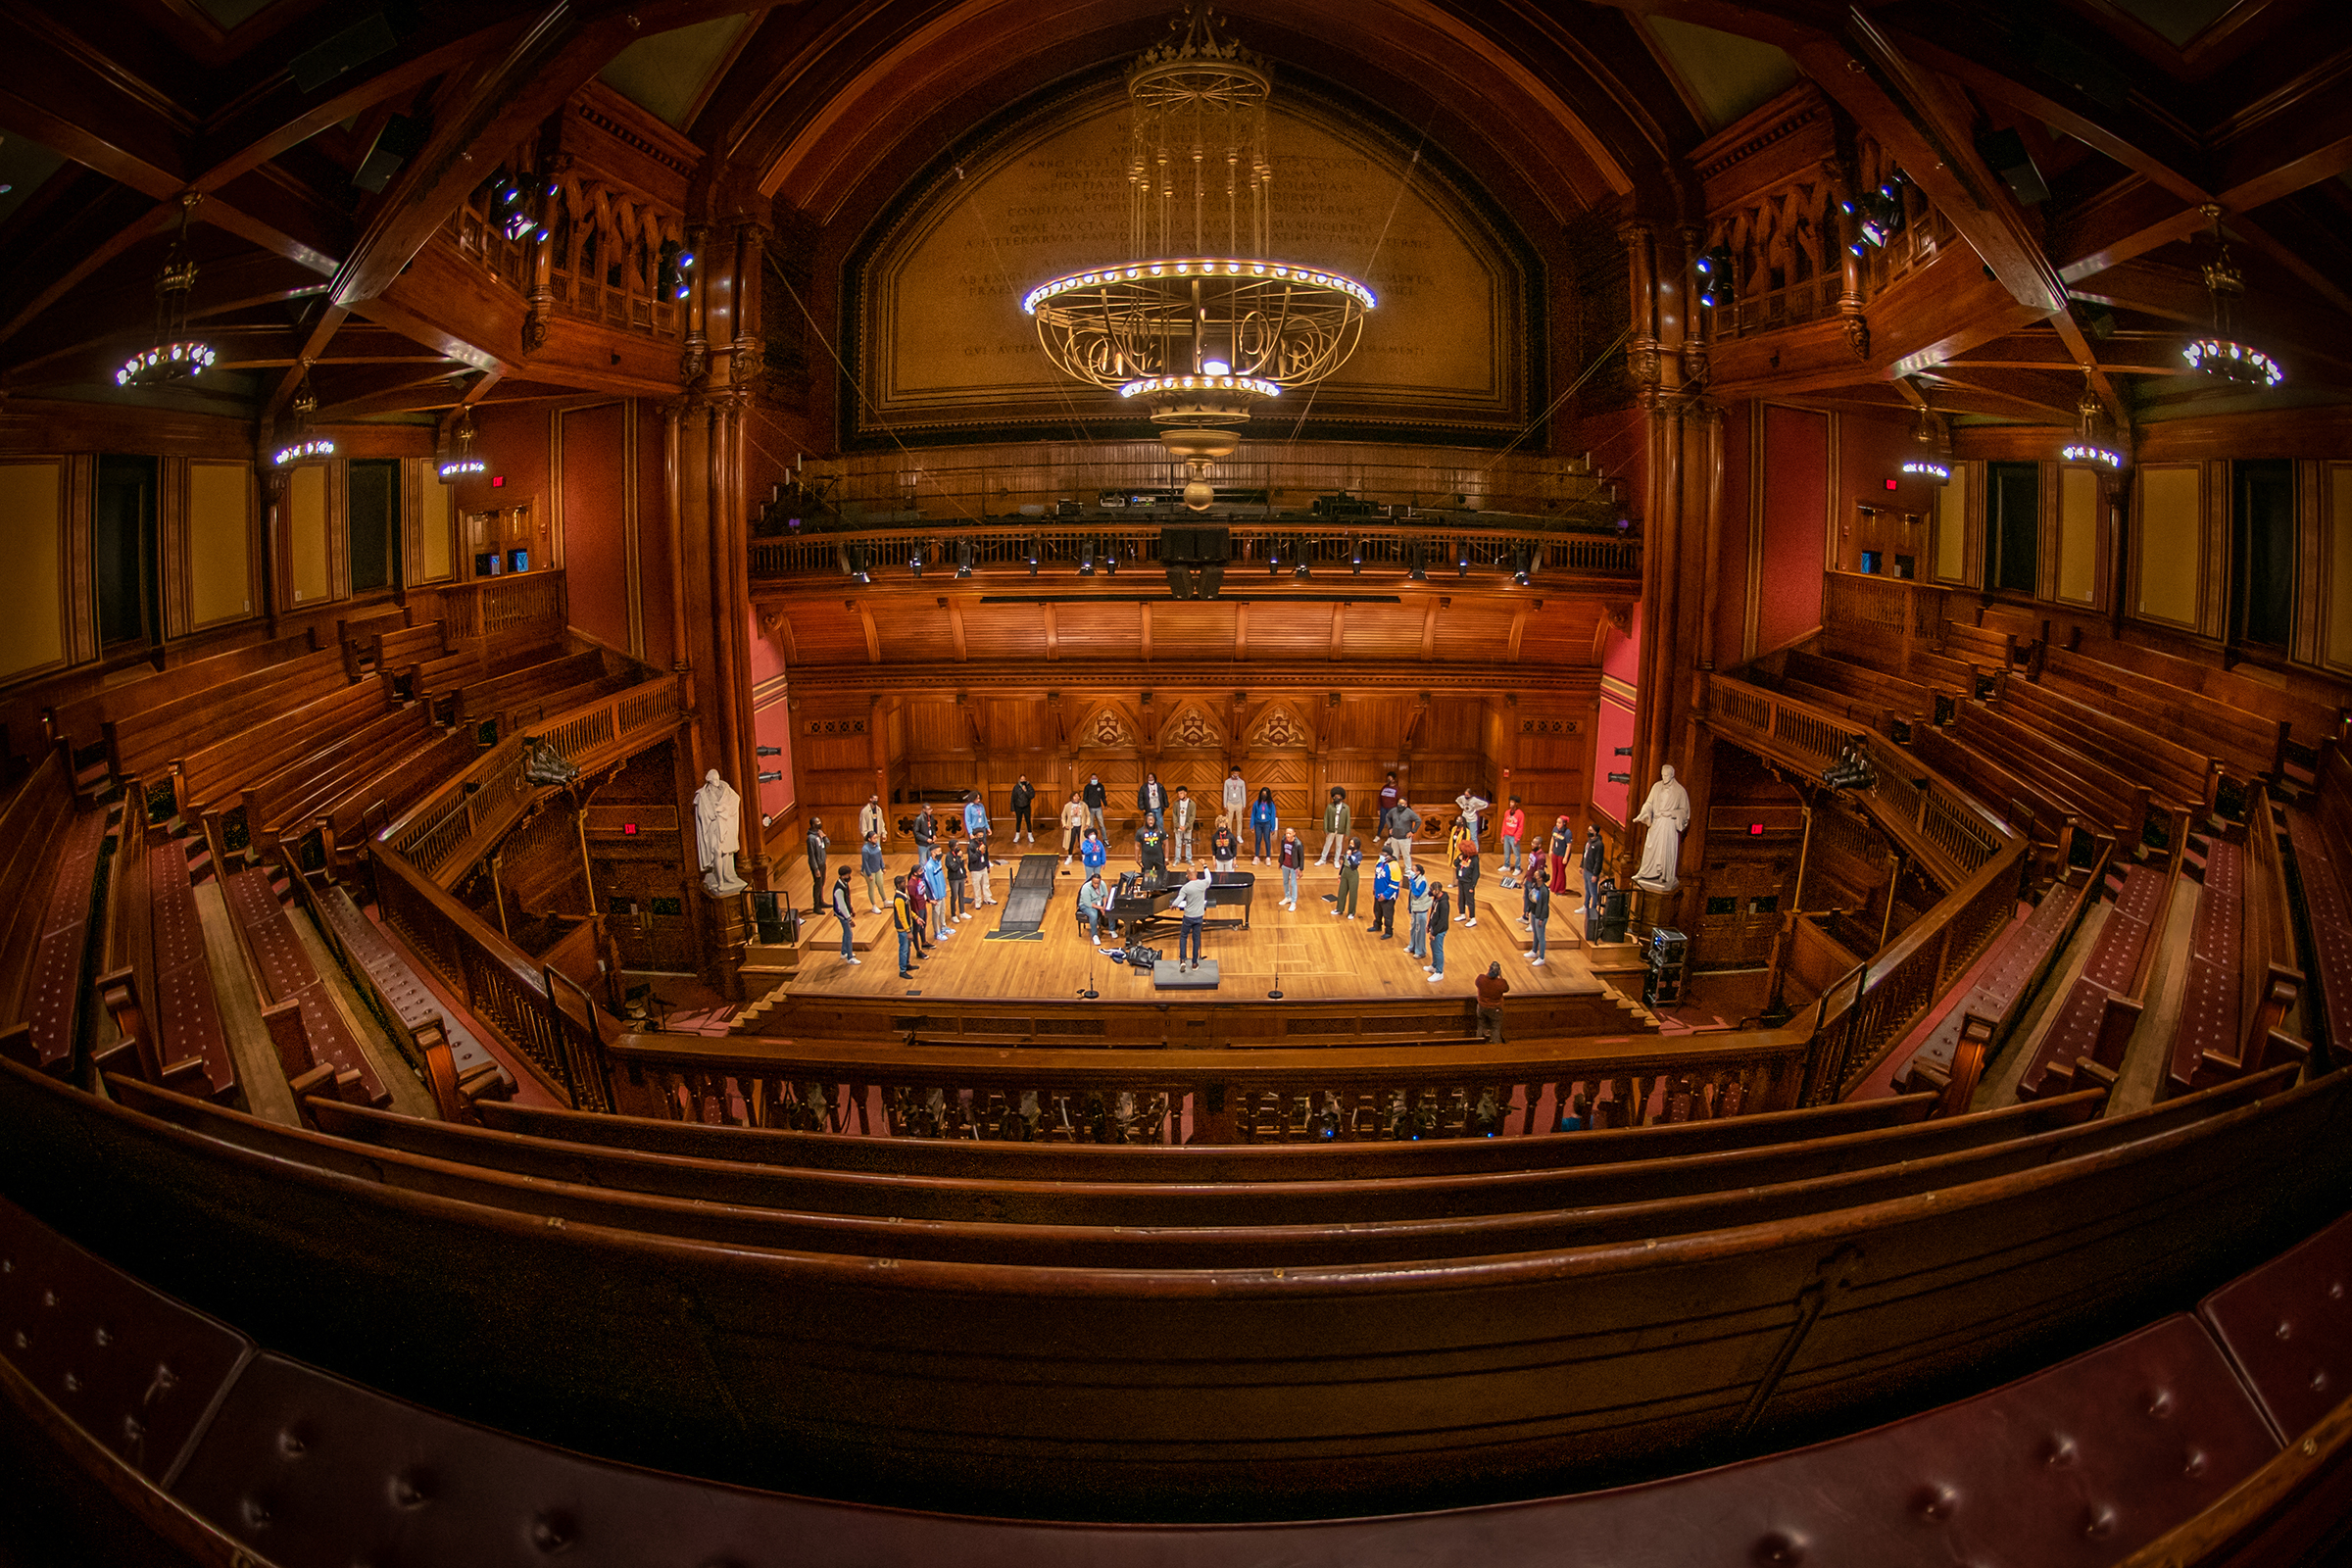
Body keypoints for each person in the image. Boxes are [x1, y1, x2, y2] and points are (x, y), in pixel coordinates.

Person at [1175, 865, 1210, 970]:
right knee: (1196, 939)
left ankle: (1182, 960)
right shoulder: (1203, 884)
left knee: (1183, 937)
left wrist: (1173, 905)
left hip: (1188, 917)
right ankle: (1194, 963)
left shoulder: (1186, 887)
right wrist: (1205, 866)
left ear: (1189, 875)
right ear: (1196, 874)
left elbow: (1178, 900)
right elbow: (1209, 878)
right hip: (1199, 917)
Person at [830, 866, 859, 963]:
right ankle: (850, 957)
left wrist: (851, 908)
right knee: (849, 934)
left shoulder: (844, 884)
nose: (849, 876)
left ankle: (844, 952)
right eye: (848, 875)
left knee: (846, 933)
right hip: (841, 914)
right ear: (843, 876)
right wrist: (849, 919)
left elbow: (847, 899)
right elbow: (841, 905)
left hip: (844, 913)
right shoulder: (839, 889)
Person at [890, 876, 918, 976]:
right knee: (904, 949)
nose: (905, 884)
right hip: (903, 929)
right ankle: (902, 970)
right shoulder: (899, 899)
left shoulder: (904, 895)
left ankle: (907, 964)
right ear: (898, 885)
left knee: (908, 946)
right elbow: (902, 916)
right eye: (903, 883)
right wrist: (908, 931)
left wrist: (916, 917)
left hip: (908, 925)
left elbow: (908, 910)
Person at [1388, 796, 1422, 874]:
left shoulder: (1409, 812)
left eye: (1402, 804)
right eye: (1399, 803)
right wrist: (1390, 827)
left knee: (1406, 855)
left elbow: (1418, 820)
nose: (1400, 805)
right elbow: (1387, 817)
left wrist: (1413, 831)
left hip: (1405, 838)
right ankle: (1394, 869)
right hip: (1394, 837)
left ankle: (1408, 871)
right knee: (1394, 855)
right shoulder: (1393, 811)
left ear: (1406, 805)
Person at [1475, 962, 1509, 1040]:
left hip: (1481, 1007)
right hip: (1495, 1010)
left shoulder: (1481, 979)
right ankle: (1495, 1047)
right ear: (1499, 971)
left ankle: (1477, 1045)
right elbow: (1506, 988)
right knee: (1495, 1029)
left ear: (1489, 969)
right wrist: (1500, 976)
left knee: (1480, 1026)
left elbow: (1477, 983)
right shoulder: (1501, 983)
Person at [921, 847, 950, 940]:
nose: (940, 853)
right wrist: (933, 897)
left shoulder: (938, 862)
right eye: (938, 851)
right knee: (936, 913)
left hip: (941, 892)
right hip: (935, 895)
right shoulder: (929, 866)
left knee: (942, 911)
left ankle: (943, 927)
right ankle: (937, 932)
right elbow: (929, 883)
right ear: (933, 853)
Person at [1316, 787, 1349, 865]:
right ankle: (1323, 859)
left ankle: (1336, 860)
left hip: (1340, 829)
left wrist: (1347, 833)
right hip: (1331, 829)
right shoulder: (1330, 806)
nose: (1337, 798)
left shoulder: (1346, 808)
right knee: (1327, 844)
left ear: (1341, 797)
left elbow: (1348, 821)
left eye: (1338, 796)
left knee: (1339, 845)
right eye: (1335, 796)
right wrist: (1325, 829)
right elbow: (1326, 818)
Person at [1078, 871, 1112, 945]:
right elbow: (1088, 903)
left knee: (1111, 907)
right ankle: (1094, 935)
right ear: (1091, 881)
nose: (1096, 885)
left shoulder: (1102, 884)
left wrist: (1104, 906)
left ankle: (1112, 929)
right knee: (1093, 915)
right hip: (1086, 904)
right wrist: (1100, 908)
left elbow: (1105, 896)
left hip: (1098, 901)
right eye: (1094, 883)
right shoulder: (1086, 888)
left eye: (1098, 883)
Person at [904, 872, 932, 960]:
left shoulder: (919, 880)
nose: (922, 872)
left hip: (923, 906)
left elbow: (923, 893)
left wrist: (928, 900)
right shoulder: (911, 885)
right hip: (917, 909)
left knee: (923, 926)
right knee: (916, 930)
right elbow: (913, 900)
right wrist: (916, 914)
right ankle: (918, 951)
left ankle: (924, 942)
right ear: (914, 873)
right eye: (920, 871)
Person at [1498, 795, 1525, 889]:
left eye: (1512, 802)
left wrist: (1517, 838)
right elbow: (1504, 824)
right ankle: (1507, 865)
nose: (1511, 804)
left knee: (1516, 853)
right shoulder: (1507, 812)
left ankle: (1517, 868)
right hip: (1506, 835)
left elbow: (1520, 827)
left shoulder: (1520, 814)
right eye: (1510, 802)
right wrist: (1502, 835)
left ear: (1516, 804)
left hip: (1514, 836)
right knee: (1506, 851)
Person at [1425, 885, 1450, 981]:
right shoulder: (1436, 899)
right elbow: (1433, 913)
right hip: (1434, 927)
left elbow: (1442, 921)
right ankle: (1434, 965)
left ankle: (1439, 972)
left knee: (1438, 950)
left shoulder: (1444, 903)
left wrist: (1434, 933)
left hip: (1439, 930)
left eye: (1432, 890)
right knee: (1433, 946)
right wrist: (1429, 925)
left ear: (1437, 890)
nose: (1430, 891)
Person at [1454, 834, 1480, 927]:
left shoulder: (1474, 860)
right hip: (1461, 880)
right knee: (1461, 899)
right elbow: (1455, 864)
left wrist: (1472, 886)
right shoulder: (1463, 856)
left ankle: (1472, 918)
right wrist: (1458, 859)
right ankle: (1462, 914)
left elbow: (1476, 874)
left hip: (1468, 883)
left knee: (1470, 901)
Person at [1406, 867, 1432, 958]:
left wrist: (1412, 883)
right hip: (1415, 907)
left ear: (1418, 872)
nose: (1411, 871)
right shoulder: (1414, 879)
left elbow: (1417, 893)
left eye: (1413, 870)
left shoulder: (1422, 881)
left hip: (1422, 908)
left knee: (1420, 929)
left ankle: (1420, 951)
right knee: (1413, 927)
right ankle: (1412, 946)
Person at [1371, 853, 1397, 939]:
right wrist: (1375, 888)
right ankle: (1377, 926)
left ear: (1389, 856)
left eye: (1384, 854)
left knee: (1388, 914)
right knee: (1377, 911)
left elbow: (1395, 884)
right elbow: (1376, 877)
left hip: (1388, 896)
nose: (1381, 856)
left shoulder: (1394, 866)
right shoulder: (1379, 862)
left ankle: (1389, 931)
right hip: (1378, 892)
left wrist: (1385, 895)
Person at [1335, 836, 1362, 920]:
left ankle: (1351, 912)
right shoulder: (1347, 852)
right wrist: (1340, 873)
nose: (1350, 845)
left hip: (1352, 873)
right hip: (1345, 872)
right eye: (1350, 843)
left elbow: (1354, 866)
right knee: (1342, 891)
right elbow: (1343, 863)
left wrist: (1350, 856)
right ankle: (1339, 909)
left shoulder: (1359, 854)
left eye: (1352, 844)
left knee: (1353, 894)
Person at [1582, 824, 1606, 919]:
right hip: (1586, 869)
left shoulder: (1599, 844)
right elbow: (1585, 854)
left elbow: (1598, 860)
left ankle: (1592, 910)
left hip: (1592, 872)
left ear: (1595, 832)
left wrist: (1595, 874)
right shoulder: (1589, 841)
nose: (1588, 831)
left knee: (1593, 892)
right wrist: (1582, 866)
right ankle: (1585, 906)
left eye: (1590, 830)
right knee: (1587, 890)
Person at [859, 830, 887, 913]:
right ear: (869, 839)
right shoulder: (865, 849)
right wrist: (869, 874)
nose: (876, 839)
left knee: (881, 885)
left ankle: (885, 901)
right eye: (874, 838)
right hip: (870, 871)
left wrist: (883, 867)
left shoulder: (877, 845)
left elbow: (880, 857)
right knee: (871, 888)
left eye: (876, 837)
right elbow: (865, 862)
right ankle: (874, 905)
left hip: (877, 869)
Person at [805, 817, 829, 912]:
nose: (820, 823)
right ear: (813, 825)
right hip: (816, 865)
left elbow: (827, 845)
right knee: (818, 884)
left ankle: (821, 901)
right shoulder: (811, 839)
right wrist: (816, 869)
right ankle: (816, 906)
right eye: (818, 822)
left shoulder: (820, 834)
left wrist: (824, 837)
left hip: (822, 862)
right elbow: (811, 855)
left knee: (822, 883)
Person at [1527, 873, 1551, 966]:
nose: (1534, 876)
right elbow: (1532, 899)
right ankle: (1534, 951)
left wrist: (1541, 918)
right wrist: (1528, 910)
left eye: (1536, 875)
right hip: (1534, 912)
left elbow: (1545, 905)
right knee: (1535, 933)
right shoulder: (1535, 886)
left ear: (1540, 878)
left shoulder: (1545, 890)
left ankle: (1541, 957)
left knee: (1541, 936)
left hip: (1540, 915)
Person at [1250, 788, 1278, 863]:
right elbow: (1253, 814)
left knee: (1267, 840)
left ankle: (1268, 857)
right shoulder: (1256, 803)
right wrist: (1252, 825)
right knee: (1258, 839)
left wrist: (1273, 827)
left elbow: (1273, 815)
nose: (1264, 796)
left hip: (1267, 823)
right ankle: (1256, 856)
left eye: (1265, 794)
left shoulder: (1271, 804)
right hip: (1258, 823)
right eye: (1262, 794)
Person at [1277, 826, 1303, 909]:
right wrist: (1280, 862)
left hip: (1293, 867)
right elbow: (1282, 851)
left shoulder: (1298, 844)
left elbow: (1301, 857)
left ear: (1294, 834)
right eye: (1286, 833)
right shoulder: (1283, 840)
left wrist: (1301, 869)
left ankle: (1293, 902)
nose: (1287, 835)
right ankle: (1287, 897)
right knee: (1285, 882)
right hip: (1285, 865)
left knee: (1293, 884)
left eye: (1289, 833)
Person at [1170, 786, 1197, 866]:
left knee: (1188, 844)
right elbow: (1174, 815)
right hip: (1178, 827)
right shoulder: (1176, 803)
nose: (1179, 795)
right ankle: (1177, 859)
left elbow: (1192, 816)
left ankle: (1188, 859)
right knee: (1178, 844)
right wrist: (1178, 825)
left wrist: (1186, 826)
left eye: (1181, 793)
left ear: (1185, 793)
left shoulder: (1192, 804)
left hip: (1187, 828)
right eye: (1178, 794)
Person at [945, 839, 969, 922]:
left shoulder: (959, 854)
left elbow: (962, 866)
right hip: (954, 878)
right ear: (952, 846)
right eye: (956, 845)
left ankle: (962, 912)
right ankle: (953, 915)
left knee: (961, 895)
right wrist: (958, 857)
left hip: (960, 877)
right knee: (954, 896)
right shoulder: (949, 856)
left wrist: (965, 875)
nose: (958, 847)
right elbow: (954, 867)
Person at [1059, 794, 1088, 865]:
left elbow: (1088, 815)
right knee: (1071, 842)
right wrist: (1065, 824)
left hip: (1081, 826)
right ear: (1072, 797)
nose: (1076, 798)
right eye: (1075, 796)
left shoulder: (1083, 805)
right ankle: (1069, 857)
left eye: (1078, 796)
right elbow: (1063, 816)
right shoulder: (1068, 806)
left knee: (1081, 842)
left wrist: (1087, 824)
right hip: (1071, 826)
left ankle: (1084, 856)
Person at [1221, 765, 1248, 839]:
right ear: (1232, 772)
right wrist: (1225, 805)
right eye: (1235, 773)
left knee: (1239, 820)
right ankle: (1229, 835)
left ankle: (1239, 835)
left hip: (1239, 803)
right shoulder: (1227, 782)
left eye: (1237, 774)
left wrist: (1244, 805)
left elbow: (1243, 794)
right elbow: (1225, 793)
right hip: (1230, 803)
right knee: (1229, 821)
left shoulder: (1242, 782)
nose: (1236, 775)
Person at [969, 834, 996, 906]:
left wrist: (987, 866)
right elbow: (972, 858)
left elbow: (986, 855)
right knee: (977, 886)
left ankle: (987, 898)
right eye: (979, 835)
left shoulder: (984, 843)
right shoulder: (971, 846)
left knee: (986, 884)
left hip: (983, 867)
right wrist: (979, 851)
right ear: (975, 836)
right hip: (975, 869)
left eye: (982, 835)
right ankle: (978, 902)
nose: (981, 837)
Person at [1008, 774, 1036, 844]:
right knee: (1018, 821)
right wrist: (1013, 809)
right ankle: (1017, 835)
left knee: (1028, 821)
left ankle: (1030, 835)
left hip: (1026, 806)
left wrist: (1025, 790)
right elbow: (1013, 798)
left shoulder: (1029, 786)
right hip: (1018, 806)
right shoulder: (1016, 787)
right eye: (1021, 779)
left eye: (1024, 779)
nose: (1023, 781)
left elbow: (1032, 795)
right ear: (1019, 780)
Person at [1082, 772, 1107, 837]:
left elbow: (1103, 796)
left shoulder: (1100, 786)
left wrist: (1105, 805)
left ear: (1097, 778)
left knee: (1101, 824)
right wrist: (1086, 807)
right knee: (1091, 825)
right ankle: (1090, 838)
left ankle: (1105, 839)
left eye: (1095, 778)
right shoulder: (1087, 787)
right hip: (1090, 808)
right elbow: (1085, 798)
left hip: (1098, 808)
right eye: (1093, 778)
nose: (1094, 780)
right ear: (1090, 779)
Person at [1376, 771, 1400, 840]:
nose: (1388, 780)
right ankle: (1378, 835)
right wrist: (1378, 808)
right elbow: (1379, 798)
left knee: (1391, 824)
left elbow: (1399, 800)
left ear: (1394, 779)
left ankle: (1390, 837)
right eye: (1388, 778)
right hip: (1383, 808)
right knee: (1382, 822)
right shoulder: (1384, 787)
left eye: (1390, 778)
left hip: (1392, 809)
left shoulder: (1397, 789)